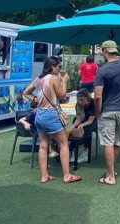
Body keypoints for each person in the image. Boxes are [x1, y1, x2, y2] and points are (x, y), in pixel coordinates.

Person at [22, 56, 80, 184]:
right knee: (63, 144)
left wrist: (36, 100)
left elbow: (26, 92)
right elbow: (62, 96)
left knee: (43, 145)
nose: (60, 69)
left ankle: (44, 176)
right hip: (51, 114)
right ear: (52, 66)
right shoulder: (53, 78)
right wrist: (64, 81)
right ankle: (67, 175)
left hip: (40, 114)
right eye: (59, 66)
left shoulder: (39, 79)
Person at [94, 39, 120, 186]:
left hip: (107, 110)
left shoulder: (102, 70)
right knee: (117, 142)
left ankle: (110, 176)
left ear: (105, 52)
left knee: (108, 142)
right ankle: (110, 171)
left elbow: (98, 95)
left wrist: (98, 111)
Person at [67, 89, 97, 165]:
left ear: (87, 99)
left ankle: (86, 151)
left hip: (94, 121)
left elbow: (90, 121)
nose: (80, 102)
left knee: (87, 129)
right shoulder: (78, 105)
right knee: (74, 123)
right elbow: (78, 119)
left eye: (82, 100)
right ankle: (73, 150)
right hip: (84, 119)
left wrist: (82, 125)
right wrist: (72, 127)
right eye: (78, 100)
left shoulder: (93, 104)